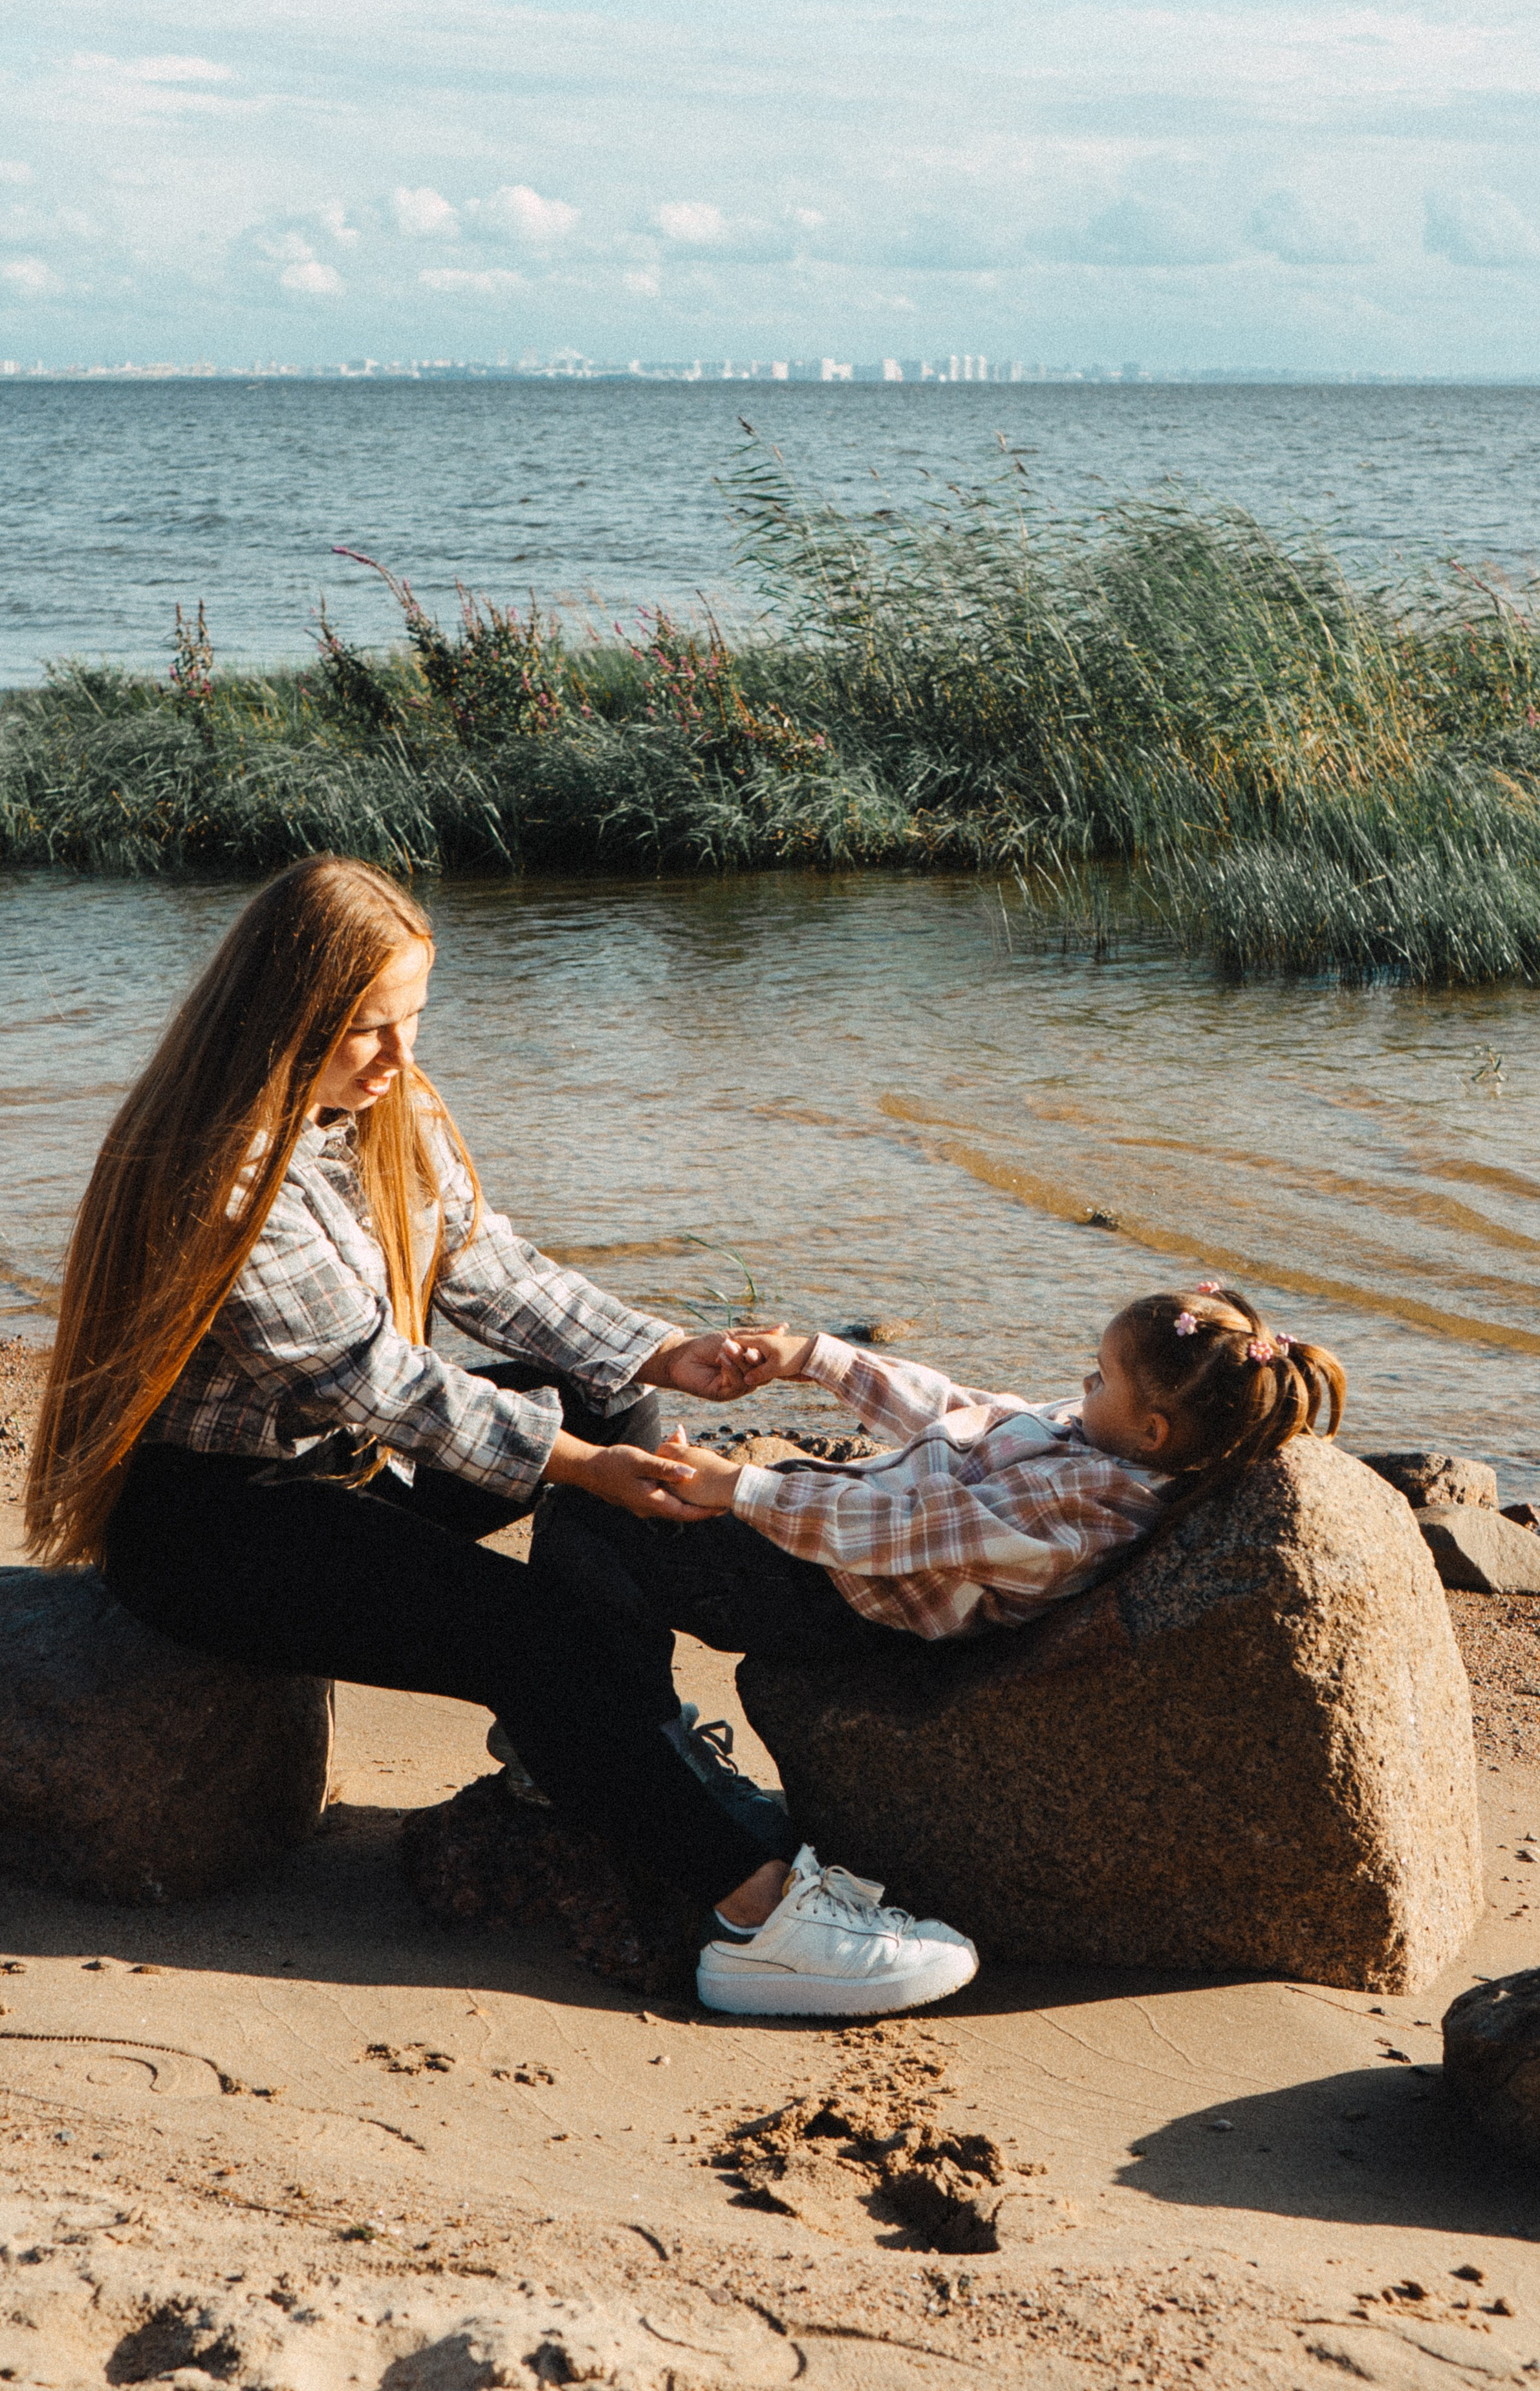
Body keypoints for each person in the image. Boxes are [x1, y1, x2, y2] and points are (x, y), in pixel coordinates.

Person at [24, 853, 979, 2020]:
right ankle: (754, 1913)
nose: (400, 1057)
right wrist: (580, 1471)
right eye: (367, 1030)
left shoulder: (386, 1108)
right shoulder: (219, 1177)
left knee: (602, 1393)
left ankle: (582, 1754)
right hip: (213, 1525)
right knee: (524, 1627)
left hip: (345, 1473)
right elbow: (378, 1381)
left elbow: (486, 1265)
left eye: (414, 1019)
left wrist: (655, 1352)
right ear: (281, 1019)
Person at [530, 1286, 1347, 1993]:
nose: (1082, 1383)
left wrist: (736, 1487)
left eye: (1102, 1375)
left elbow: (899, 1534)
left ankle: (632, 1734)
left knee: (590, 1515)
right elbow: (958, 1411)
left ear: (1157, 1432)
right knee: (610, 1464)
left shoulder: (1090, 1512)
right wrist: (816, 1357)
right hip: (837, 1539)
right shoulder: (1098, 1438)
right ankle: (595, 1709)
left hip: (842, 1601)